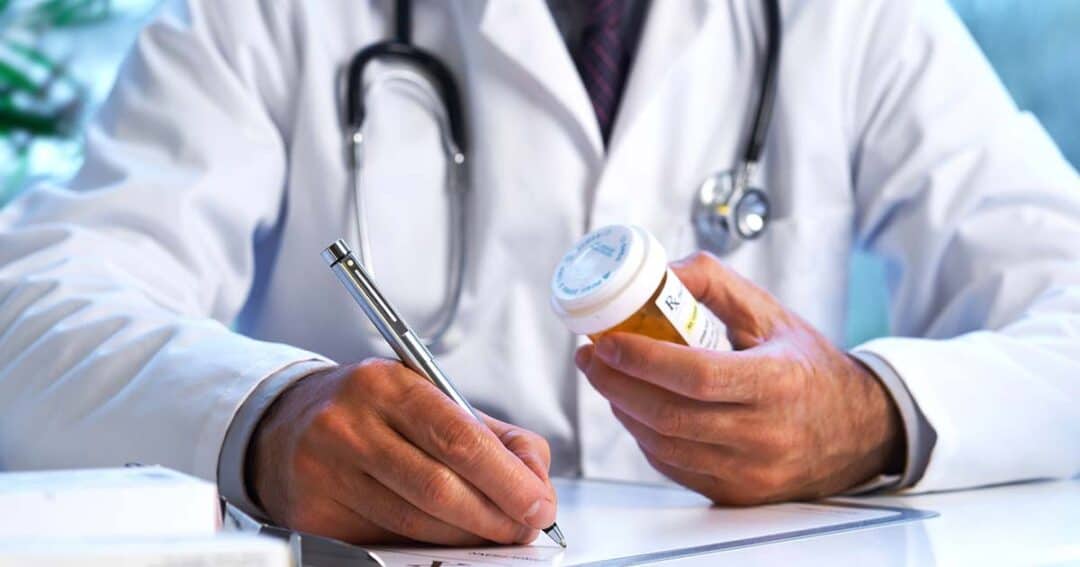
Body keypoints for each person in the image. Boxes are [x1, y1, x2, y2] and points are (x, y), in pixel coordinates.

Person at [1, 0, 1078, 547]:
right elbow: (33, 310)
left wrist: (870, 416)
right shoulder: (264, 16)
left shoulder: (854, 19)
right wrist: (266, 421)